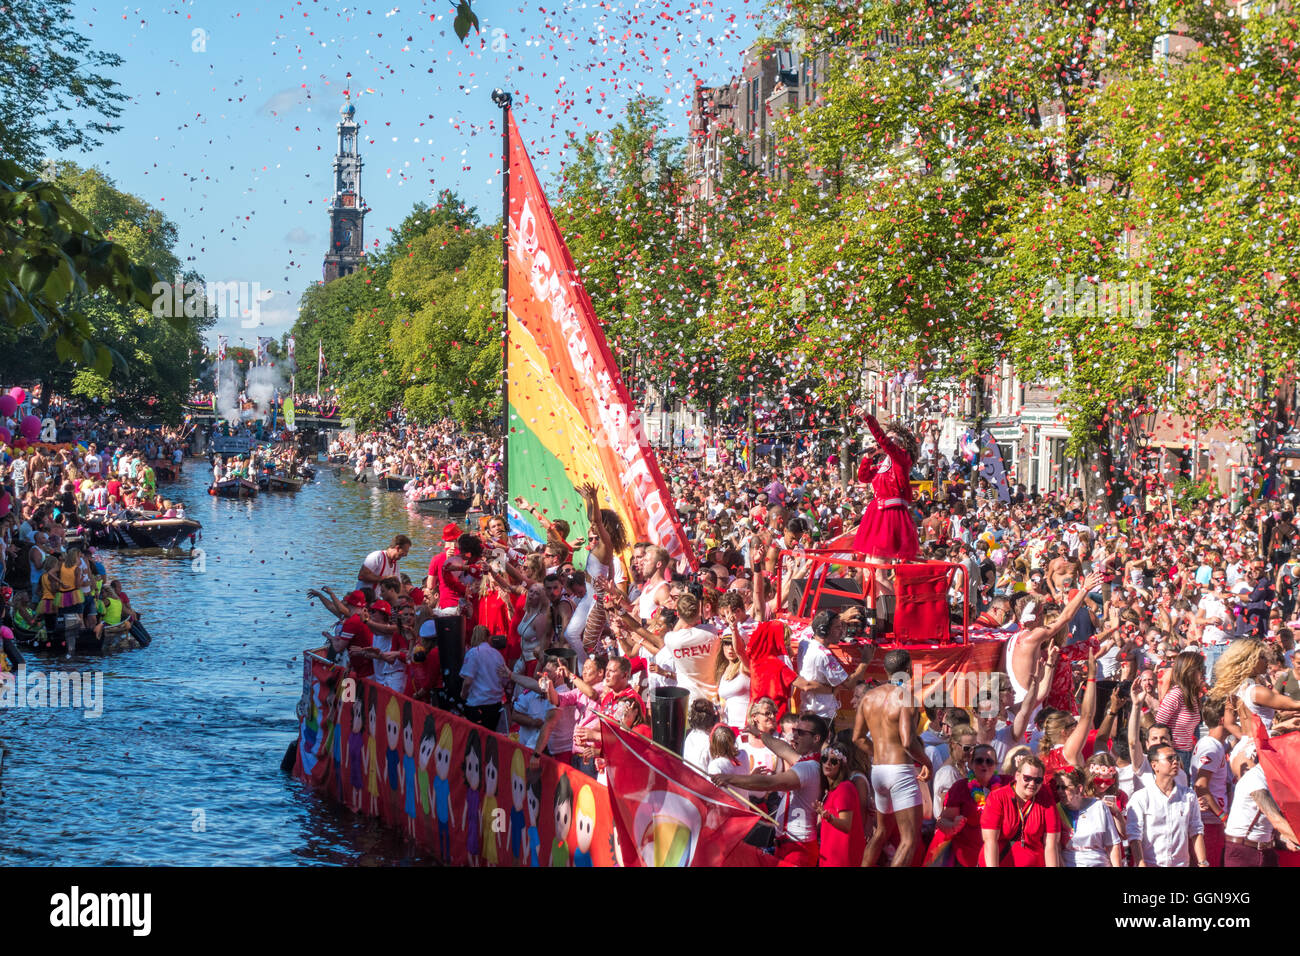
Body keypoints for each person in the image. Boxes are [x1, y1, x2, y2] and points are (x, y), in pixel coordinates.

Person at [712, 712, 829, 866]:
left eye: (800, 733)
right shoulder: (809, 762)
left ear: (816, 738)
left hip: (798, 849)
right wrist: (760, 734)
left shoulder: (809, 767)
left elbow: (770, 782)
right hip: (791, 845)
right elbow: (782, 748)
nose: (795, 736)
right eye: (794, 731)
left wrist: (729, 778)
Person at [856, 649, 932, 867]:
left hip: (878, 771)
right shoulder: (906, 698)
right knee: (909, 840)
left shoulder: (869, 696)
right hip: (900, 771)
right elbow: (907, 741)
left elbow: (858, 739)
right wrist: (926, 761)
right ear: (908, 670)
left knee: (881, 832)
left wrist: (879, 753)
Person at [1126, 742, 1209, 867]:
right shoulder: (1140, 798)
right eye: (1170, 758)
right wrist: (1141, 863)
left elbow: (1196, 830)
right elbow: (1134, 835)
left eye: (1176, 758)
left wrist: (1202, 862)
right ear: (1155, 765)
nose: (1175, 762)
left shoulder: (1188, 795)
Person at [851, 413, 920, 561]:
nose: (884, 442)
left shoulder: (902, 458)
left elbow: (883, 441)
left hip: (890, 514)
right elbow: (864, 477)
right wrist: (868, 458)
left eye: (891, 439)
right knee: (869, 565)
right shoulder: (884, 464)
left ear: (901, 443)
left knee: (879, 567)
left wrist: (867, 417)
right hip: (877, 513)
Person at [929, 742, 1005, 867]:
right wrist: (953, 826)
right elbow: (942, 821)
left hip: (998, 857)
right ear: (970, 764)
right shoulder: (960, 787)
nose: (984, 765)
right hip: (967, 858)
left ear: (996, 765)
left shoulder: (1005, 784)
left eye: (989, 762)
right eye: (979, 761)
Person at [980, 754, 1060, 867]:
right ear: (1017, 775)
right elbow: (990, 841)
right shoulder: (997, 797)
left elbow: (1051, 844)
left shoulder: (1046, 799)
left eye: (1038, 780)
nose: (1032, 784)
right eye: (1027, 778)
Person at [1054, 768, 1122, 867]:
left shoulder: (1099, 806)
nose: (1059, 791)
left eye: (1064, 787)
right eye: (1057, 787)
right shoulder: (1056, 810)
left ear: (1079, 789)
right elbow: (1056, 849)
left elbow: (1112, 844)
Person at [816, 738, 866, 867]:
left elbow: (846, 825)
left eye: (833, 761)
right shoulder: (832, 790)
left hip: (841, 859)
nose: (827, 764)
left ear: (842, 765)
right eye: (824, 759)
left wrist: (827, 817)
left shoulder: (845, 788)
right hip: (829, 856)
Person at [460, 626, 509, 732]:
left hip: (478, 704)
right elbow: (505, 680)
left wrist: (463, 695)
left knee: (478, 739)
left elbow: (468, 681)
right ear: (488, 637)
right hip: (495, 704)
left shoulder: (473, 653)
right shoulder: (497, 654)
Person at [357, 534, 411, 600]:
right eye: (405, 551)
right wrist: (384, 579)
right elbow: (362, 576)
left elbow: (399, 587)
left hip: (378, 601)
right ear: (397, 548)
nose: (406, 555)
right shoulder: (377, 556)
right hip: (364, 599)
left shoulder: (395, 565)